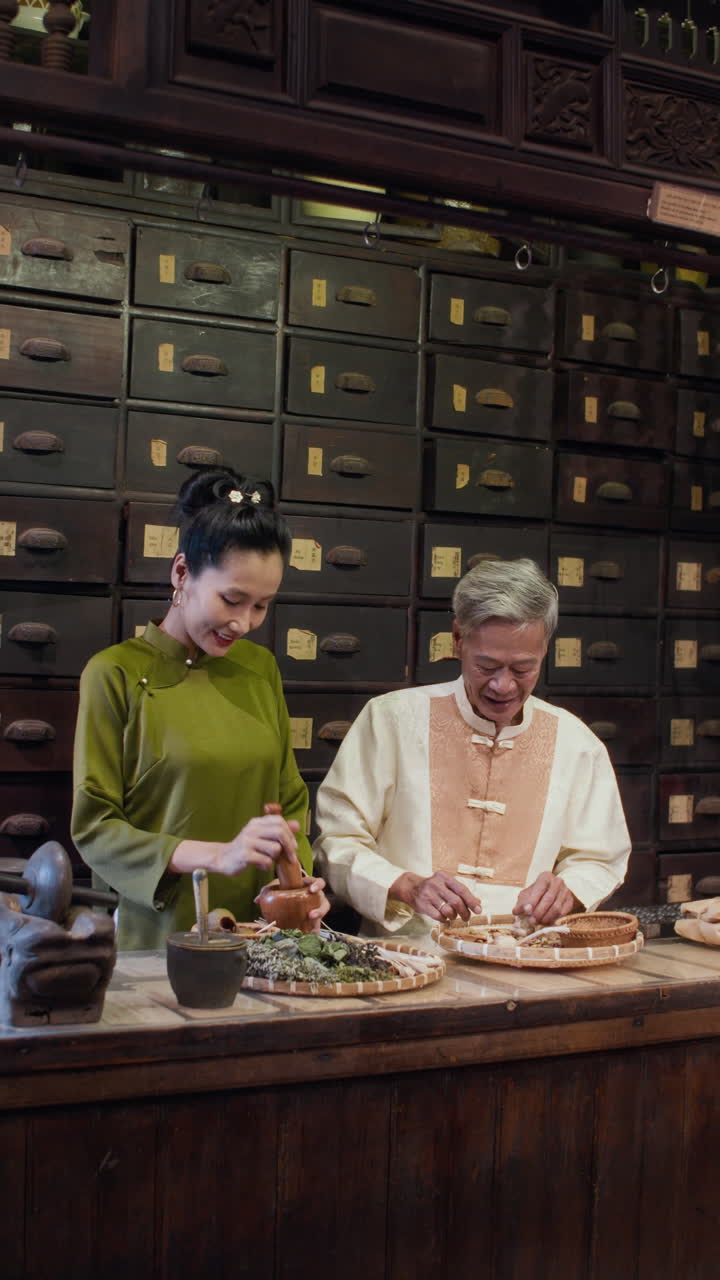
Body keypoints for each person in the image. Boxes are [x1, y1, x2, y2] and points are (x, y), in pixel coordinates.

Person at [72, 467, 329, 950]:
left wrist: (298, 882)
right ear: (182, 572)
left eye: (262, 605)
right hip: (162, 930)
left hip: (265, 930)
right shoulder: (115, 674)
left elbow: (289, 798)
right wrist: (219, 854)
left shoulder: (259, 669)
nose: (244, 622)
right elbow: (96, 829)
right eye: (232, 599)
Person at [314, 558, 630, 936]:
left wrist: (570, 891)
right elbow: (338, 839)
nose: (503, 686)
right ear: (458, 639)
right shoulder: (392, 720)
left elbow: (598, 857)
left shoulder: (577, 743)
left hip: (529, 955)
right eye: (487, 666)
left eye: (522, 669)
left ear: (545, 649)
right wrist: (405, 886)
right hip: (408, 955)